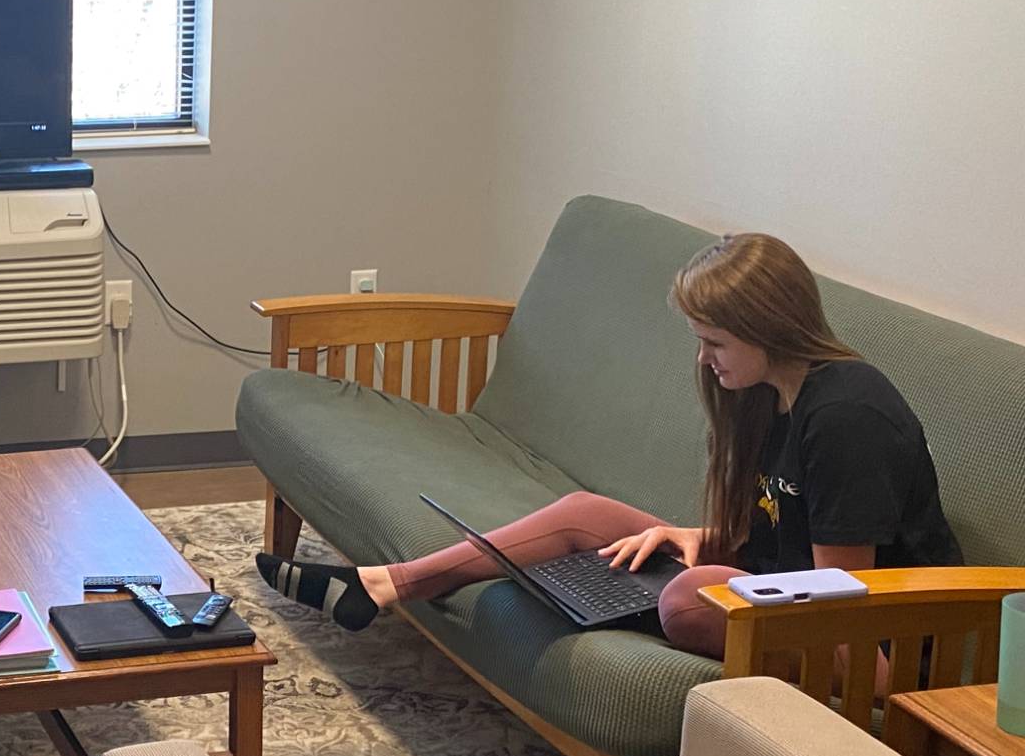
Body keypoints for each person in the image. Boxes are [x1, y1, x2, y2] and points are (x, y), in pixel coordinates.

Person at [256, 232, 962, 661]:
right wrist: (700, 535)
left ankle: (630, 603)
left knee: (684, 597)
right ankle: (385, 585)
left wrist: (714, 575)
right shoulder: (772, 396)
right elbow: (787, 527)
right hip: (799, 589)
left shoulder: (846, 416)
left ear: (769, 327)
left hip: (880, 637)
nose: (705, 361)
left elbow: (841, 590)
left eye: (714, 342)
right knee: (589, 516)